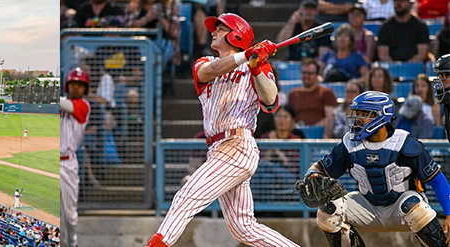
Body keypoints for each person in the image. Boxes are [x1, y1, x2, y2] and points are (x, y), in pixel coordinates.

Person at [146, 13, 298, 247]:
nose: (213, 32)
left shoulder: (257, 64)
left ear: (236, 35)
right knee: (243, 229)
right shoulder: (204, 62)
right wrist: (246, 56)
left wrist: (256, 66)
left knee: (185, 198)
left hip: (238, 145)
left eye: (220, 29)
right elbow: (210, 71)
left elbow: (270, 101)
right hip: (218, 148)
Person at [302, 91, 450, 246]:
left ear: (382, 116)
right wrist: (312, 174)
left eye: (364, 114)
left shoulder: (405, 143)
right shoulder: (349, 143)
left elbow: (437, 180)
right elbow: (320, 167)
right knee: (329, 211)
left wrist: (449, 213)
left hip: (401, 209)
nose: (358, 119)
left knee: (415, 206)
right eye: (357, 113)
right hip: (368, 206)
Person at [60, 66, 91, 247]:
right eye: (73, 84)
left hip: (67, 164)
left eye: (80, 85)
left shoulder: (84, 106)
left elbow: (67, 105)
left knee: (69, 212)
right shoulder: (63, 102)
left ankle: (72, 243)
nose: (76, 88)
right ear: (67, 85)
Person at [288, 59, 339, 135]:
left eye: (310, 73)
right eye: (304, 73)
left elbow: (330, 118)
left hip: (319, 135)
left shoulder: (326, 93)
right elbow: (288, 117)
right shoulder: (292, 94)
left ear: (317, 75)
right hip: (297, 136)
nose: (306, 76)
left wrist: (311, 129)